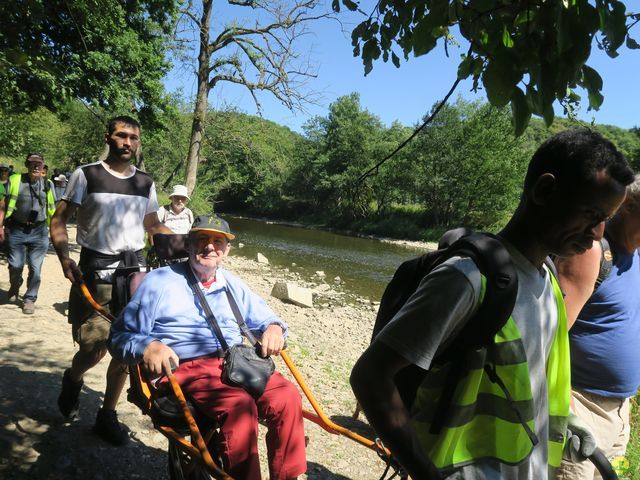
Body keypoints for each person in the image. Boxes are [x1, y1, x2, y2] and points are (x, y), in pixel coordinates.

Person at [349, 129, 635, 480]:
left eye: (605, 219)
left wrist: (562, 422)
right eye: (590, 214)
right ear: (544, 191)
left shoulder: (548, 282)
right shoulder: (468, 279)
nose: (596, 233)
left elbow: (524, 383)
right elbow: (370, 376)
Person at [109, 214, 306, 480]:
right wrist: (148, 346)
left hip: (235, 363)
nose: (209, 247)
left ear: (226, 250)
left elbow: (267, 318)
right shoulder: (159, 282)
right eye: (202, 239)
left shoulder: (232, 282)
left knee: (288, 397)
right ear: (189, 244)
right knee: (240, 408)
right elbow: (119, 335)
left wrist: (273, 328)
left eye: (217, 241)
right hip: (188, 366)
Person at [50, 115, 173, 445]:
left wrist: (187, 246)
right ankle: (73, 379)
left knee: (125, 352)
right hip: (96, 275)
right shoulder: (87, 174)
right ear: (109, 137)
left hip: (134, 278)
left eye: (134, 137)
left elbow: (152, 225)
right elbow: (58, 220)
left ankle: (107, 414)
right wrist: (65, 259)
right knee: (92, 350)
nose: (128, 142)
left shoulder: (145, 183)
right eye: (121, 136)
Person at [555, 174, 640, 479]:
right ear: (629, 205)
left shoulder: (636, 257)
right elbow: (549, 333)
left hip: (620, 411)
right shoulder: (591, 252)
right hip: (580, 405)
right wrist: (564, 408)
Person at [0, 153, 55, 313]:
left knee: (35, 268)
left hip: (39, 232)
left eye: (39, 164)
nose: (36, 167)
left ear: (43, 166)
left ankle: (30, 298)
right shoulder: (15, 180)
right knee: (16, 265)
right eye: (32, 164)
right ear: (27, 165)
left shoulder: (48, 184)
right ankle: (15, 285)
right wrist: (1, 226)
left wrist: (54, 231)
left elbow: (52, 209)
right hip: (17, 229)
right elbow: (2, 203)